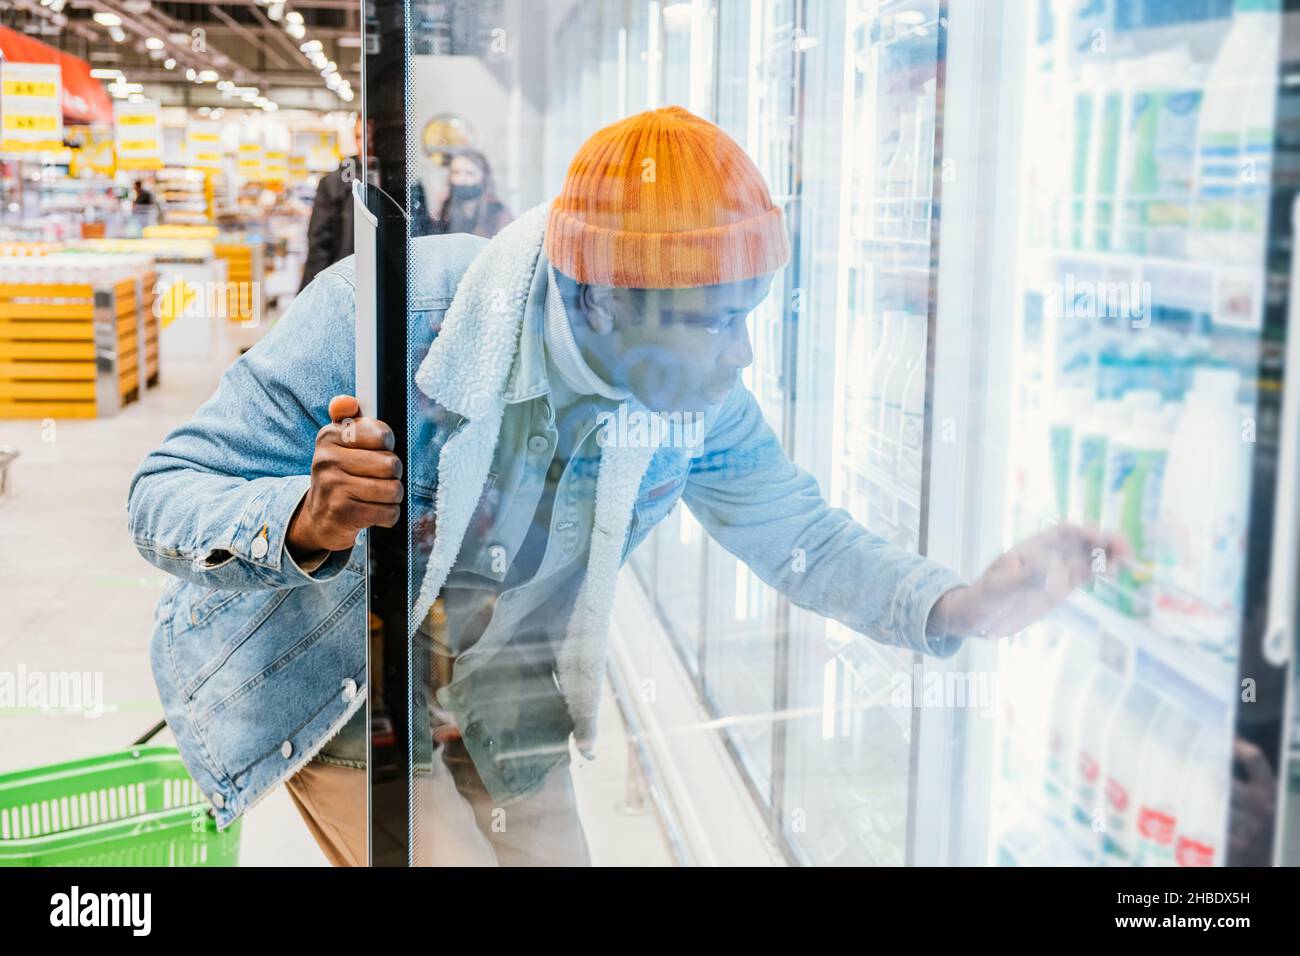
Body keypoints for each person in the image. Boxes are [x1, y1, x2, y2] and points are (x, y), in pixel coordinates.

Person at [127, 106, 1126, 867]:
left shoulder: (691, 395)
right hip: (339, 681)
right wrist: (307, 516)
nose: (740, 355)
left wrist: (963, 601)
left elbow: (802, 537)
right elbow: (163, 489)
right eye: (714, 318)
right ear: (599, 297)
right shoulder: (389, 313)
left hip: (505, 701)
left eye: (751, 314)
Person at [299, 115, 362, 292]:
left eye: (371, 135)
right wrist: (312, 292)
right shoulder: (334, 184)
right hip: (345, 285)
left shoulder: (402, 182)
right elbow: (319, 245)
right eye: (359, 136)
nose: (364, 143)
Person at [427, 149, 512, 238]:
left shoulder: (497, 213)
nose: (462, 180)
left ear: (483, 177)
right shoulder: (443, 209)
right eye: (456, 173)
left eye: (470, 173)